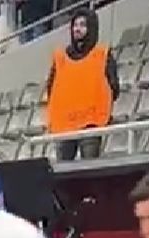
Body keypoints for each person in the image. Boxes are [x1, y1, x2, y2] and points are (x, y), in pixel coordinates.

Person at [45, 8, 119, 161]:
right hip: (64, 125)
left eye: (82, 25)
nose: (77, 29)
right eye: (75, 25)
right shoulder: (60, 58)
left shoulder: (102, 54)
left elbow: (114, 87)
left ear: (91, 27)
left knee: (89, 171)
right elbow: (51, 88)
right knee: (62, 173)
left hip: (91, 123)